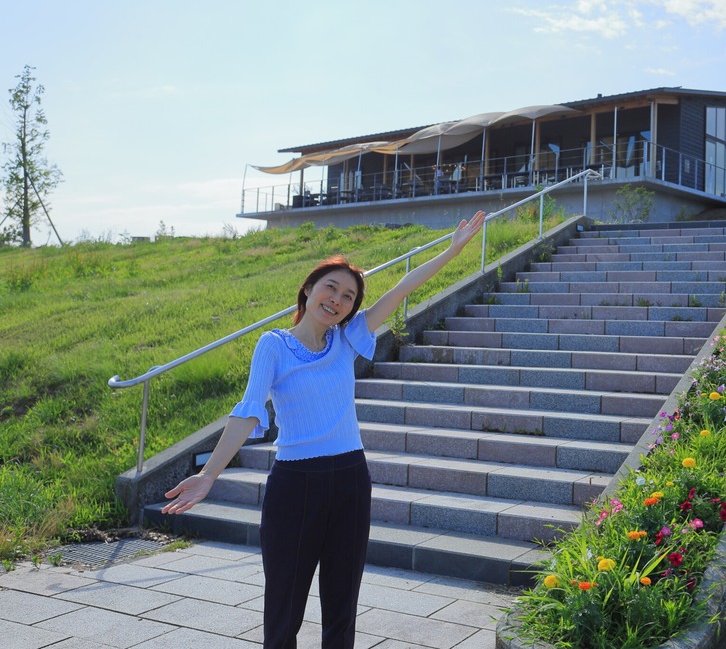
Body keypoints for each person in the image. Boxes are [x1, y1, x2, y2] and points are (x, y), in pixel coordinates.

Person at [162, 211, 487, 648]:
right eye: (330, 287)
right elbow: (247, 411)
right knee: (284, 606)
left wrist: (453, 250)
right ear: (309, 289)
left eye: (348, 296)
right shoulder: (274, 346)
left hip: (351, 480)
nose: (337, 299)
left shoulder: (346, 338)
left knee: (341, 606)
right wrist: (209, 474)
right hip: (295, 485)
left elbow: (401, 290)